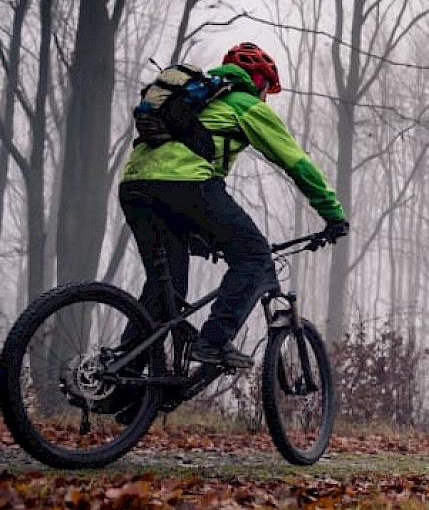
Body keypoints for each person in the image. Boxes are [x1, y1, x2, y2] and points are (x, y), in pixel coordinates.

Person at [119, 42, 348, 369]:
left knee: (166, 287)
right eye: (267, 87)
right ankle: (213, 342)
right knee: (254, 256)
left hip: (134, 186)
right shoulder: (244, 103)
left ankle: (122, 382)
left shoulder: (193, 102)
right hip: (187, 184)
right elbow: (296, 162)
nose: (266, 95)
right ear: (258, 80)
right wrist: (332, 214)